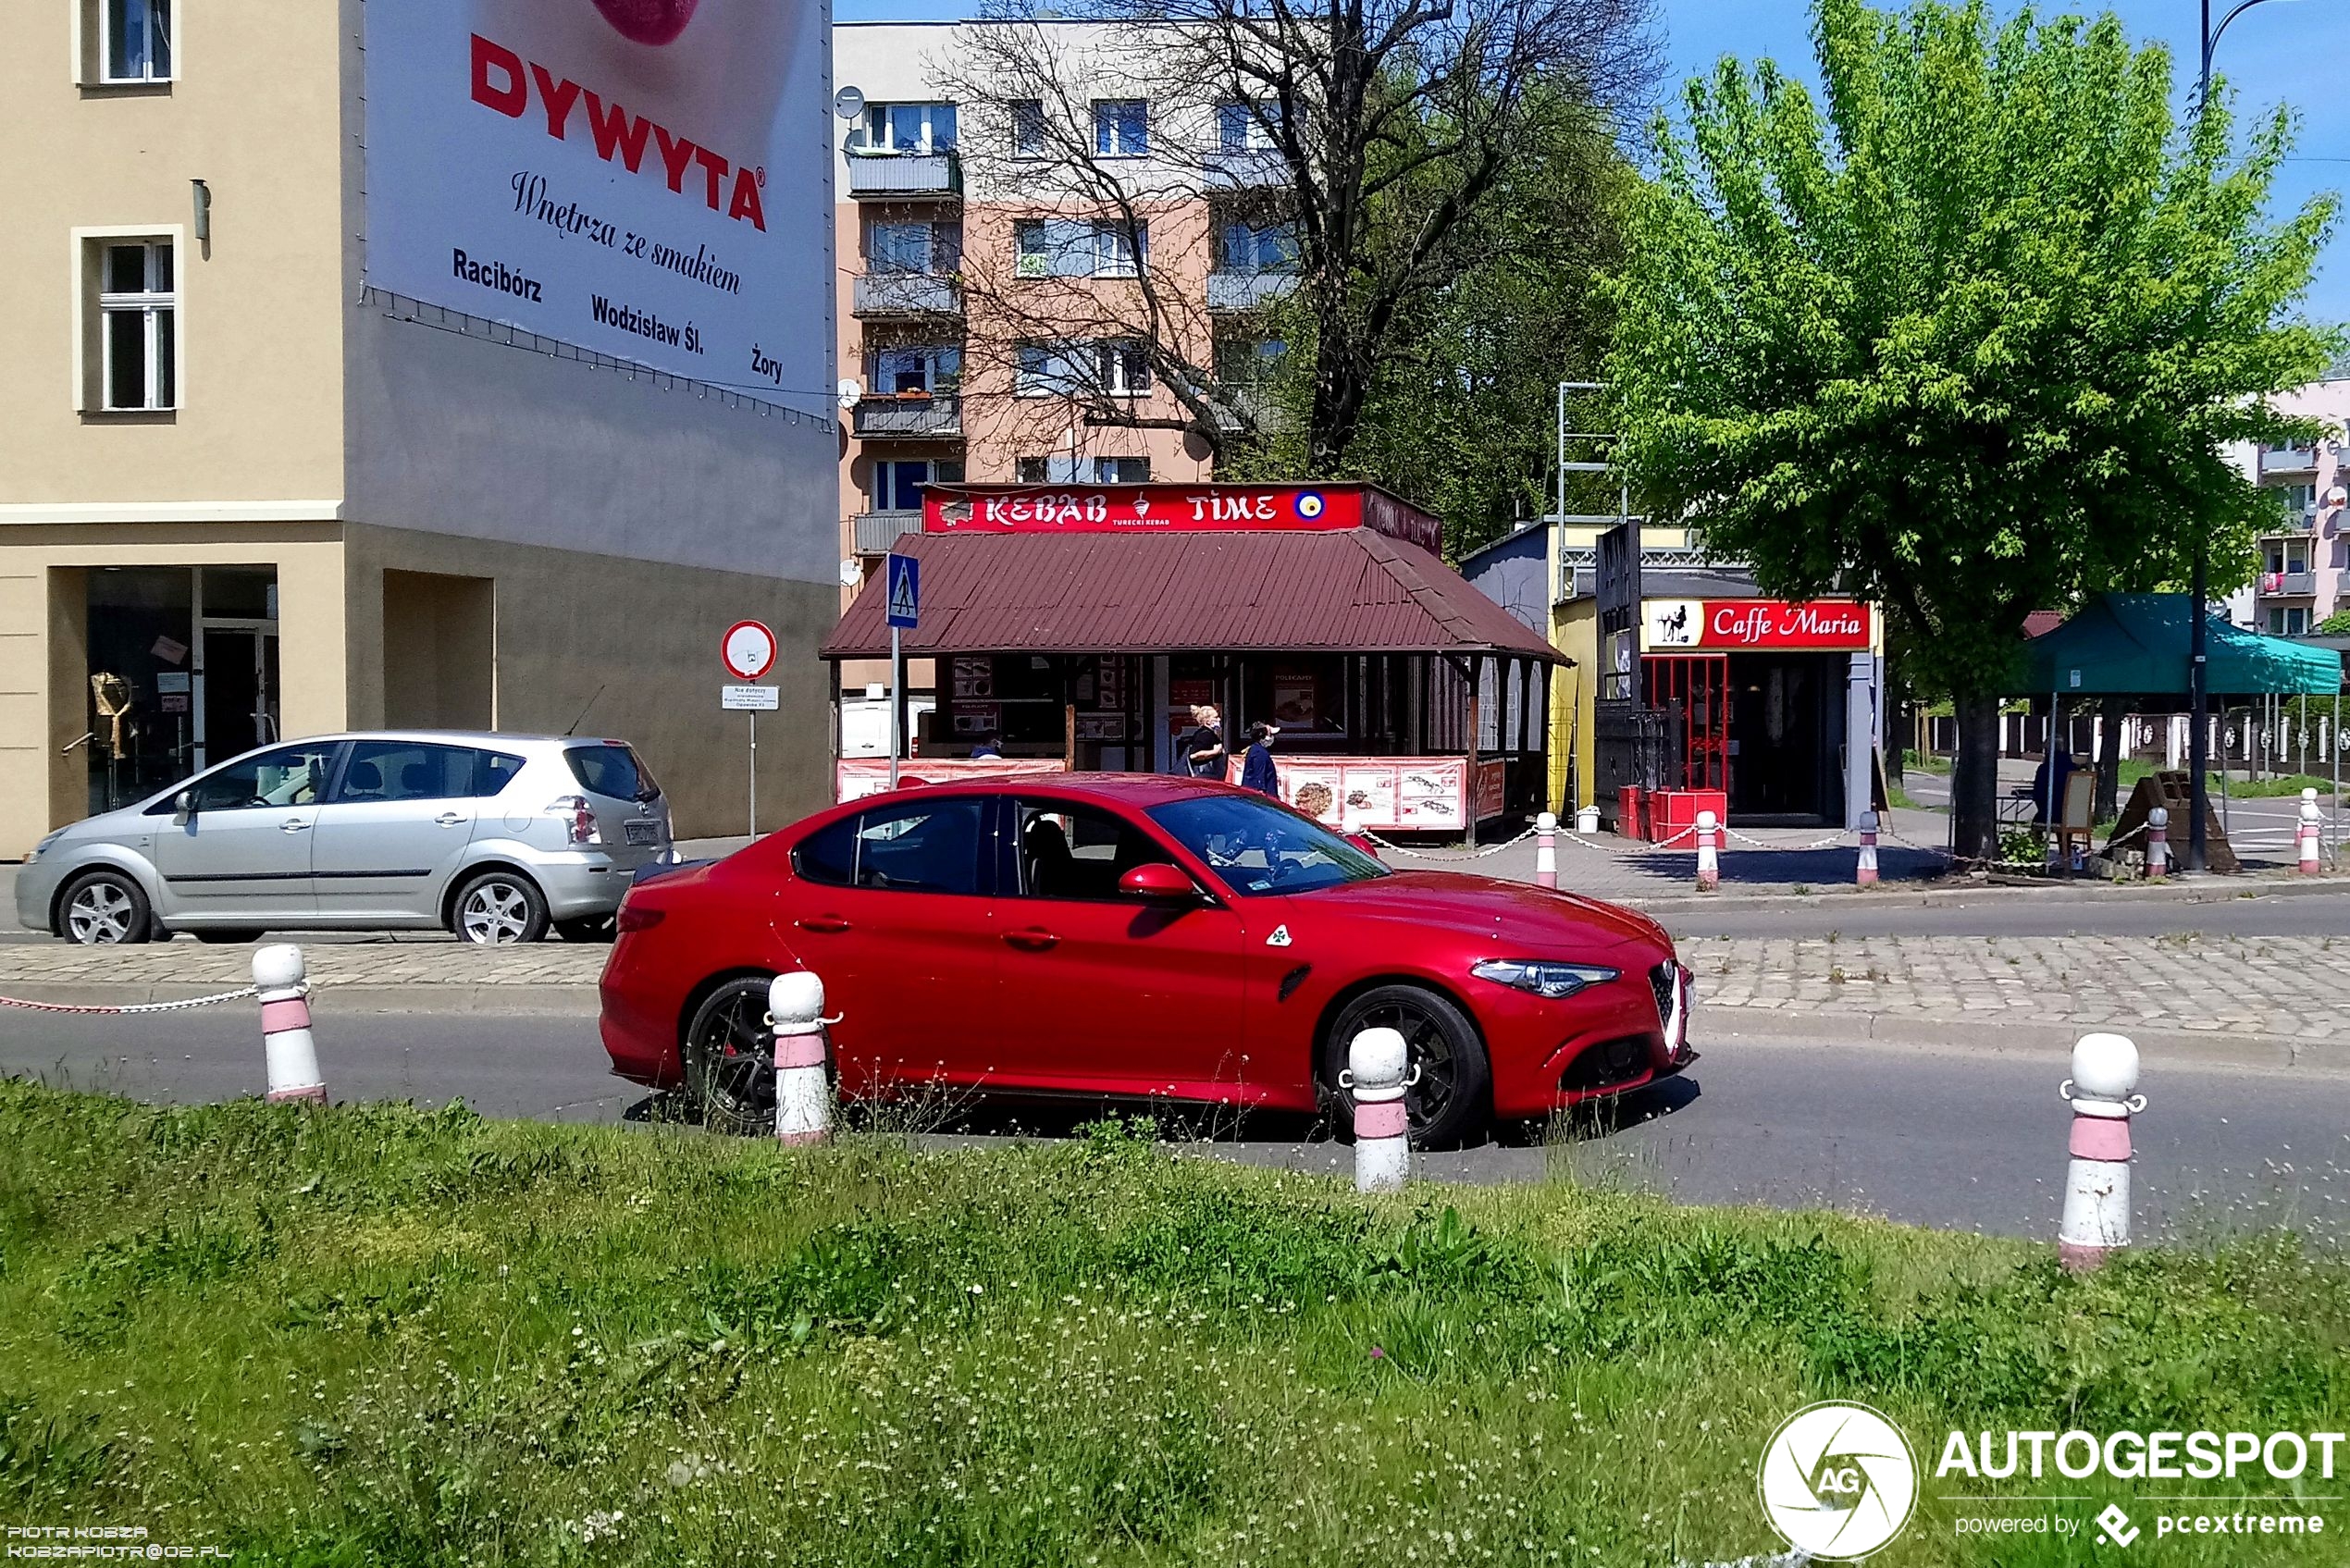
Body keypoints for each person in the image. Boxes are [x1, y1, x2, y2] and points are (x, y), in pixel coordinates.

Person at [1176, 704, 1227, 778]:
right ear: (1207, 721)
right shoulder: (1205, 735)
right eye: (1215, 717)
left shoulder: (1209, 733)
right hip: (1204, 777)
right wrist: (1215, 752)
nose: (1219, 719)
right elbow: (1193, 755)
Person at [1240, 722, 1281, 796]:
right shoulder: (1260, 753)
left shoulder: (1255, 750)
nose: (1272, 737)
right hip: (1259, 797)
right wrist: (1260, 792)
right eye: (1270, 734)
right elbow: (1259, 776)